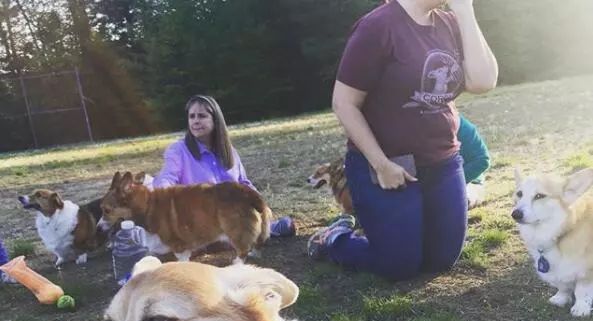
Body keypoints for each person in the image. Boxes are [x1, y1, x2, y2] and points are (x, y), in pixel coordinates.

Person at [308, 0, 498, 280]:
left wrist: (465, 10)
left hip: (442, 162)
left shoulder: (451, 22)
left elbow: (483, 81)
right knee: (398, 265)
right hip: (387, 166)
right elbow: (344, 103)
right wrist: (381, 164)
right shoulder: (378, 27)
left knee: (441, 259)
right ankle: (334, 241)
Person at [154, 94, 295, 237]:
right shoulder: (178, 150)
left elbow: (243, 183)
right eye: (192, 116)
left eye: (202, 116)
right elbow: (166, 178)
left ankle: (263, 229)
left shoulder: (229, 151)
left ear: (215, 119)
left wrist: (262, 207)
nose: (195, 121)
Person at [458, 114, 490, 208]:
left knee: (461, 200)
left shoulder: (461, 124)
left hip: (470, 182)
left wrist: (453, 181)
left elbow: (482, 160)